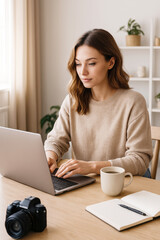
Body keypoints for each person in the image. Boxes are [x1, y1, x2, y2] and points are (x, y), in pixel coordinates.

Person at [44, 29, 152, 179]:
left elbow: (140, 161)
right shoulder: (73, 100)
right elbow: (56, 140)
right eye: (78, 64)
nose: (83, 72)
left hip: (127, 183)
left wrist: (93, 166)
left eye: (91, 63)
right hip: (90, 183)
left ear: (111, 62)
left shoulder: (133, 102)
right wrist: (50, 155)